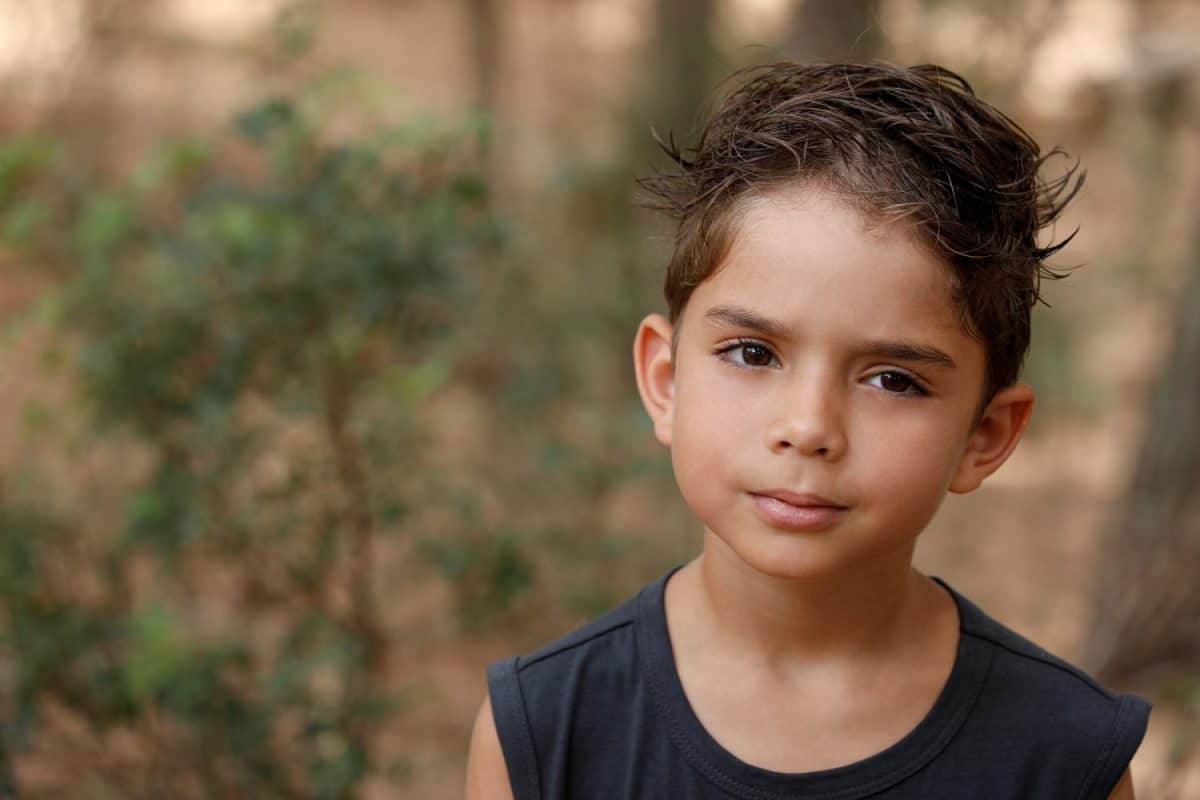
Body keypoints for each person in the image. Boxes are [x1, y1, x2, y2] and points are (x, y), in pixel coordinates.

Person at [464, 61, 1150, 799]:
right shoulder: (544, 730)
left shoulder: (1067, 757)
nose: (809, 428)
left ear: (985, 435)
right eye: (753, 354)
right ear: (666, 381)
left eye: (894, 379)